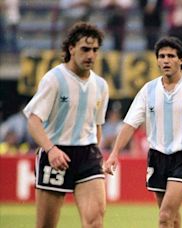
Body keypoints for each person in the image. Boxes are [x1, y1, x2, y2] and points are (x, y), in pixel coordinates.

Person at [103, 37, 182, 228]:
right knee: (171, 216)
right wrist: (114, 154)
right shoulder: (148, 90)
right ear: (157, 60)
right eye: (162, 56)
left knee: (165, 216)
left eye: (171, 56)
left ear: (181, 60)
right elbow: (130, 124)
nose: (166, 60)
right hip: (157, 157)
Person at [23, 22, 109, 228]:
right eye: (85, 49)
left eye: (95, 50)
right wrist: (50, 150)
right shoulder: (54, 79)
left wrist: (96, 151)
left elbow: (97, 126)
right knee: (46, 225)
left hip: (87, 154)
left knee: (95, 221)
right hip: (56, 153)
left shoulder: (101, 85)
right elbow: (34, 121)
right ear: (71, 48)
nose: (90, 55)